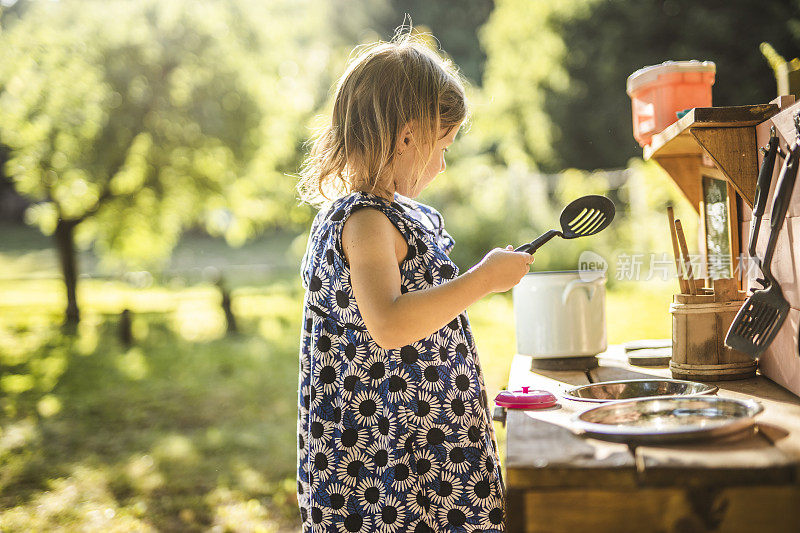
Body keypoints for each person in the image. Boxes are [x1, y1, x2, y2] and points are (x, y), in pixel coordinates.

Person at [295, 29, 534, 533]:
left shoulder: (402, 213)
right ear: (406, 136)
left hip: (427, 448)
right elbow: (388, 324)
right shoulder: (362, 222)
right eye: (442, 145)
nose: (444, 164)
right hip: (389, 470)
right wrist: (484, 278)